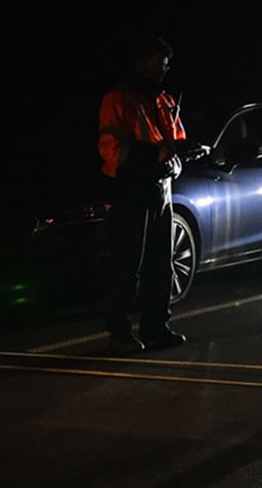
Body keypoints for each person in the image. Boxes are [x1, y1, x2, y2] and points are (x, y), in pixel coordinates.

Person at [97, 34, 195, 355]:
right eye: (157, 63)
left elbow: (174, 141)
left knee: (159, 262)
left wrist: (181, 155)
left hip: (161, 189)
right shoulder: (118, 100)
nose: (163, 70)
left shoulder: (163, 99)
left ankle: (156, 327)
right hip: (130, 190)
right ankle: (120, 333)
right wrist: (156, 157)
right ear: (140, 62)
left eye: (165, 65)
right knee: (127, 266)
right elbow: (113, 151)